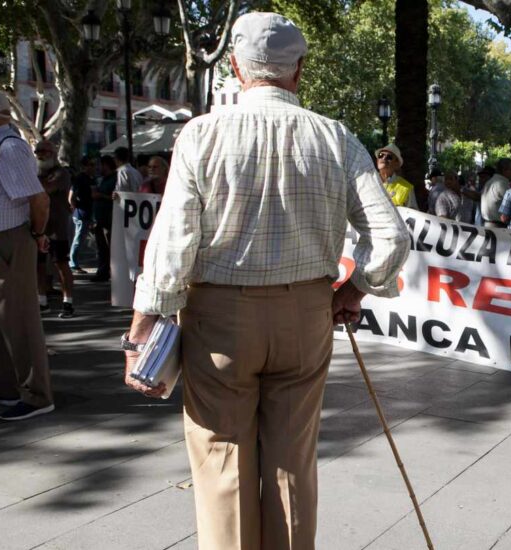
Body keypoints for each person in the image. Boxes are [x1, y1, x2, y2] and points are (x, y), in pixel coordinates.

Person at [123, 13, 409, 550]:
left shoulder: (202, 134)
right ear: (298, 70)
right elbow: (391, 236)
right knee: (292, 463)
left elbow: (173, 243)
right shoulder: (336, 137)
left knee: (222, 462)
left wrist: (142, 328)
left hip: (219, 320)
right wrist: (354, 290)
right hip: (306, 315)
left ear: (234, 66)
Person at [0, 90, 54, 421]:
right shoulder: (1, 145)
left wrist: (36, 234)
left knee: (19, 318)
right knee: (1, 317)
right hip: (3, 239)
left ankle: (36, 394)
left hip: (11, 238)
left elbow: (39, 200)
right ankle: (5, 388)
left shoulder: (10, 147)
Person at [34, 140, 75, 318]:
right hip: (40, 227)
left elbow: (46, 189)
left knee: (61, 265)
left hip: (57, 228)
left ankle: (68, 303)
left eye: (44, 151)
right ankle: (42, 301)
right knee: (40, 265)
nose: (40, 155)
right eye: (37, 152)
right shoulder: (36, 172)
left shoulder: (61, 172)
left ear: (52, 153)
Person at [91, 155, 117, 282]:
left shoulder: (115, 179)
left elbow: (115, 198)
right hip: (99, 219)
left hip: (108, 219)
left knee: (109, 247)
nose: (98, 168)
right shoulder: (102, 179)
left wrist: (100, 195)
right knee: (101, 248)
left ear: (106, 165)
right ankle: (103, 271)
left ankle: (111, 271)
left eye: (100, 165)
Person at [68, 156, 95, 273]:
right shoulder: (80, 179)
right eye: (90, 165)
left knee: (81, 239)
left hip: (87, 212)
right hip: (81, 214)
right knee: (78, 239)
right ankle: (73, 263)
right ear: (84, 166)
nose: (93, 167)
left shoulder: (90, 179)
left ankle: (74, 262)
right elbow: (71, 197)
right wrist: (76, 208)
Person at [375, 143, 417, 209]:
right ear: (377, 161)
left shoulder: (407, 188)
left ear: (397, 164)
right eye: (381, 155)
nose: (384, 158)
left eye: (389, 157)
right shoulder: (368, 181)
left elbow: (413, 215)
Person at [480, 158, 511, 228]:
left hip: (489, 224)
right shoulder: (501, 183)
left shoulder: (491, 181)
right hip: (497, 227)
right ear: (504, 169)